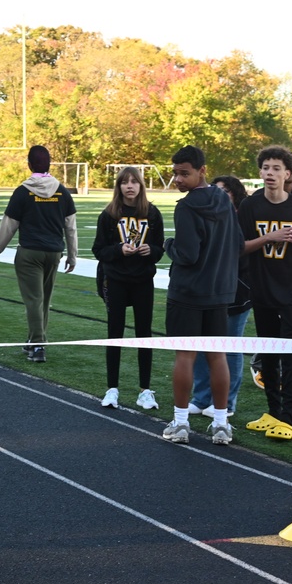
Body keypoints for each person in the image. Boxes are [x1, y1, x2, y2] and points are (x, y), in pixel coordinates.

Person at [161, 145, 243, 446]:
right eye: (175, 174)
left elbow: (187, 253)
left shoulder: (185, 207)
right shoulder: (224, 200)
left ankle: (181, 423)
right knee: (217, 356)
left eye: (185, 173)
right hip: (220, 293)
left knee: (185, 355)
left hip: (188, 293)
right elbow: (237, 246)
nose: (179, 180)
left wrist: (168, 244)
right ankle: (221, 424)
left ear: (201, 171)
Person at [239, 146, 292, 441]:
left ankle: (288, 417)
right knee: (269, 355)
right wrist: (269, 237)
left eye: (276, 168)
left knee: (290, 355)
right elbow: (242, 247)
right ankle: (272, 412)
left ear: (288, 174)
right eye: (265, 168)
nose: (269, 173)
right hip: (262, 289)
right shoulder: (250, 206)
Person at [0, 145, 78, 363]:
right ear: (50, 165)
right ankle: (32, 341)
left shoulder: (23, 192)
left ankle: (38, 345)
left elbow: (9, 225)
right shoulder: (62, 192)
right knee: (44, 300)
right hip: (53, 253)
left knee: (33, 300)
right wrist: (72, 255)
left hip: (29, 253)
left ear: (29, 165)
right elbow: (71, 227)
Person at [92, 167, 165, 410]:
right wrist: (118, 250)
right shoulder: (109, 214)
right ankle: (112, 388)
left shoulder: (152, 213)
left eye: (134, 182)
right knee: (115, 333)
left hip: (143, 280)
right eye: (125, 182)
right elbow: (98, 250)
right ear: (119, 186)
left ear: (141, 185)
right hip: (116, 280)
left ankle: (145, 390)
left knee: (144, 334)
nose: (130, 186)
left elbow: (159, 249)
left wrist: (150, 251)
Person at [187, 176, 252, 417]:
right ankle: (202, 397)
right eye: (215, 189)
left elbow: (240, 249)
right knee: (204, 345)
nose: (219, 194)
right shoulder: (206, 215)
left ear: (236, 195)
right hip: (208, 291)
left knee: (230, 346)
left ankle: (227, 402)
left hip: (238, 290)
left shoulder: (241, 217)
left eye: (225, 191)